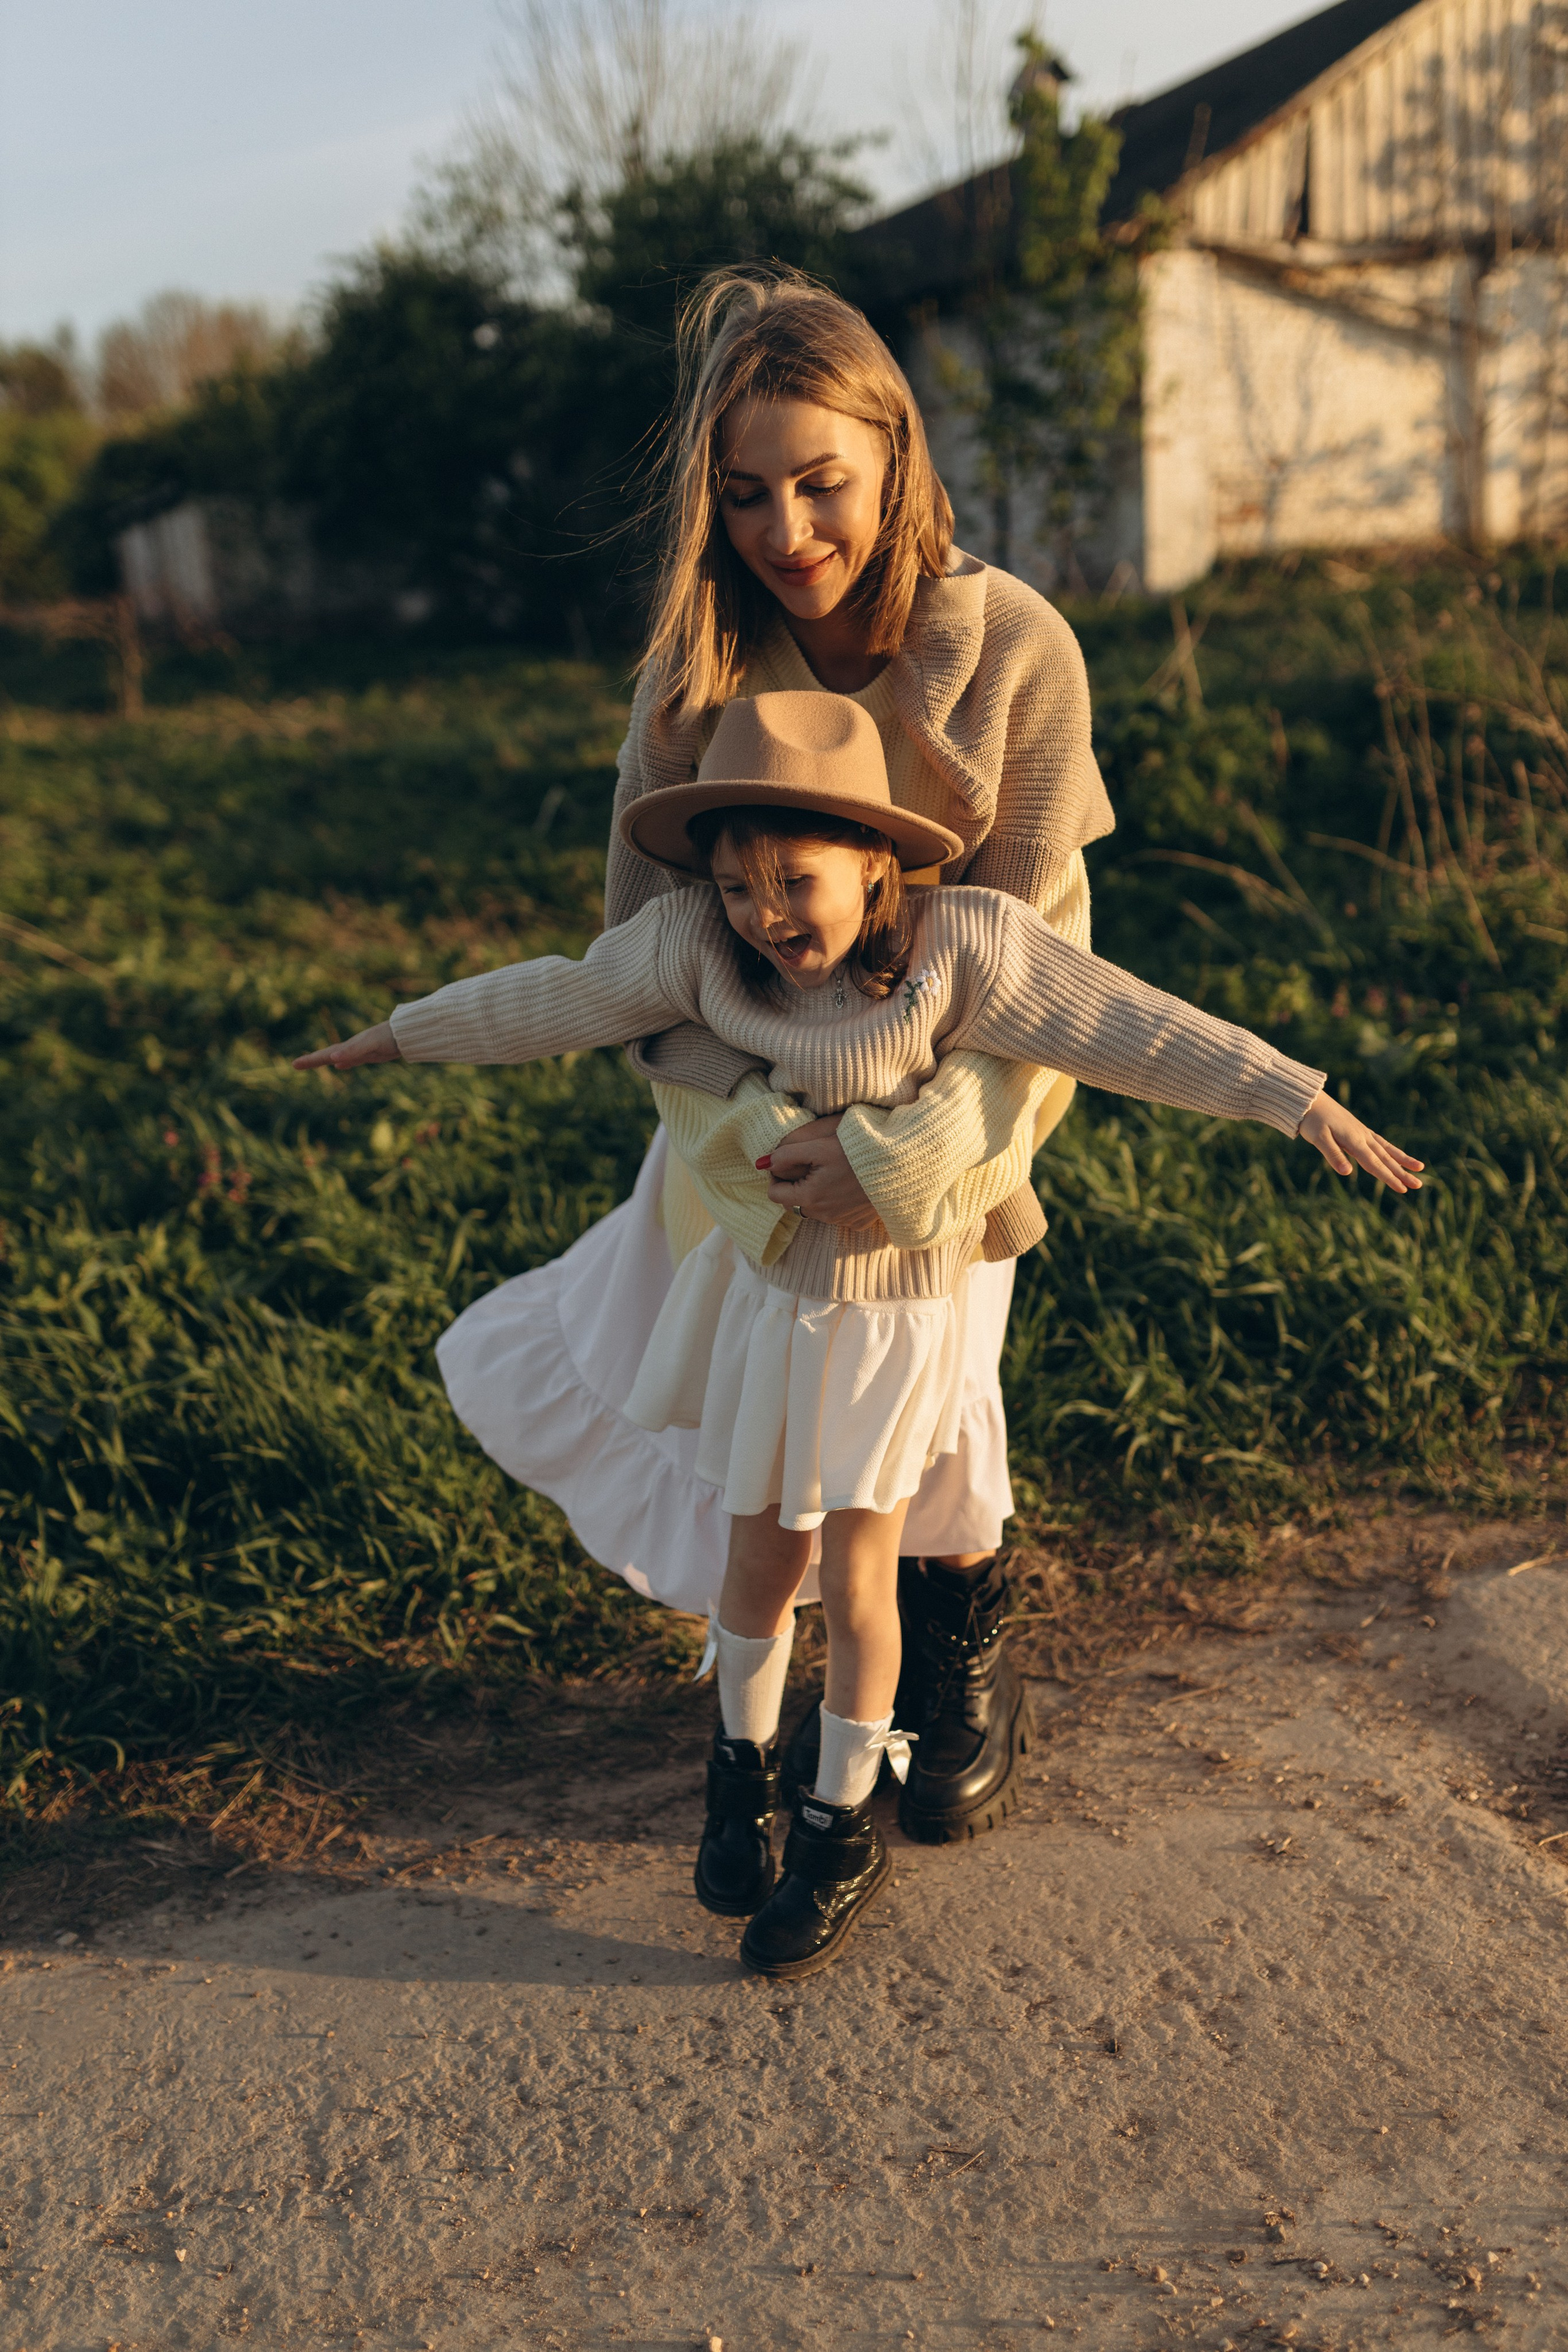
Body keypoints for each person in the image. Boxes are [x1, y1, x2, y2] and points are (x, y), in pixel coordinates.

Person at [296, 689, 1421, 1977]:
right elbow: (550, 1000)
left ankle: (836, 1830)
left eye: (796, 879)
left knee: (861, 1573)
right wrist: (395, 1038)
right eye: (735, 887)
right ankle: (739, 1780)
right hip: (771, 1306)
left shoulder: (970, 946)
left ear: (877, 862)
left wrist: (1298, 1100)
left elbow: (1131, 1026)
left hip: (899, 1319)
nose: (765, 916)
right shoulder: (696, 952)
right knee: (756, 1555)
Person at [435, 264, 1132, 1858]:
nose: (789, 531)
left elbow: (1048, 964)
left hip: (955, 1135)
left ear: (896, 454)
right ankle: (758, 1736)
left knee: (933, 1410)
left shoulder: (1014, 650)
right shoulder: (694, 680)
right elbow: (642, 970)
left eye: (823, 482)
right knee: (760, 1430)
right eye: (745, 493)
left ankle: (953, 1650)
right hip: (743, 1140)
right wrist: (754, 1140)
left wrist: (931, 1144)